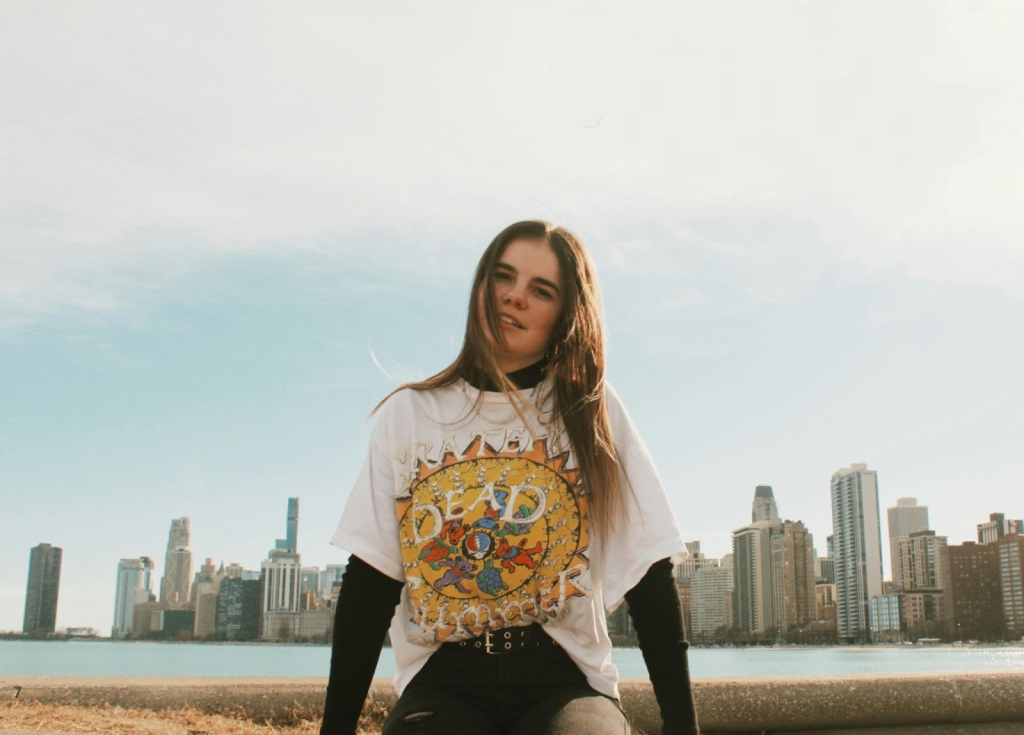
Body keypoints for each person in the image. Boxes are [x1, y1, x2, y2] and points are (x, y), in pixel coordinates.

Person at [320, 221, 699, 735]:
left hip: (567, 683)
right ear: (480, 286)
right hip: (442, 684)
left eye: (541, 290)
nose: (515, 297)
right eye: (504, 277)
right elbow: (370, 584)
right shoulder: (409, 415)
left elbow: (649, 577)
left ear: (566, 315)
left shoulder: (592, 411)